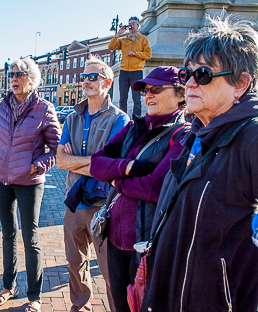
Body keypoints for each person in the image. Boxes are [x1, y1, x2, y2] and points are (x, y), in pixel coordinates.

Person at [141, 16, 258, 311]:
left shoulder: (252, 139)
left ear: (241, 83)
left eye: (203, 75)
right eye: (186, 74)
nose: (190, 84)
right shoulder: (195, 136)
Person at [89, 66, 189, 311]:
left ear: (181, 95)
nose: (148, 96)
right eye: (145, 90)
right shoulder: (135, 127)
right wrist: (131, 166)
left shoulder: (183, 134)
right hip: (114, 239)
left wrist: (116, 180)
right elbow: (96, 164)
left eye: (156, 89)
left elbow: (155, 187)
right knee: (119, 304)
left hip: (147, 243)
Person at [0, 58, 61, 312]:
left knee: (31, 238)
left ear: (32, 79)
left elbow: (56, 149)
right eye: (12, 75)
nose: (14, 79)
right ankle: (8, 286)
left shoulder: (44, 108)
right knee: (8, 235)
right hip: (3, 179)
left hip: (29, 181)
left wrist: (36, 166)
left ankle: (34, 295)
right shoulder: (4, 106)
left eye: (20, 74)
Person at [56, 56, 129, 312]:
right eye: (84, 76)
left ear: (107, 83)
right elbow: (60, 160)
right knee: (74, 263)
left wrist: (77, 160)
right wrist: (94, 163)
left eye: (92, 77)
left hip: (104, 206)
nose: (85, 81)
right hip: (74, 202)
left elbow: (111, 165)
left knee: (110, 270)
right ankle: (80, 307)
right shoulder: (72, 117)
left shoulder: (119, 120)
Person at [108, 16, 152, 117]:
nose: (131, 25)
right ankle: (122, 119)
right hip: (124, 71)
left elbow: (148, 54)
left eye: (133, 23)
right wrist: (118, 34)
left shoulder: (143, 39)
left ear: (137, 25)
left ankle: (136, 120)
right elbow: (111, 46)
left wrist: (136, 54)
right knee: (122, 98)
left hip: (136, 71)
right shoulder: (124, 40)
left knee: (136, 98)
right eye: (130, 23)